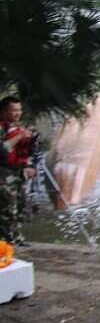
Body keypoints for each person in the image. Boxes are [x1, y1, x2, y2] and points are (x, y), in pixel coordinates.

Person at [0, 97, 38, 246]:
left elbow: (32, 151)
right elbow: (3, 150)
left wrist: (30, 165)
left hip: (18, 171)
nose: (17, 113)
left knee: (21, 205)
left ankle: (16, 236)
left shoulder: (20, 127)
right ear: (3, 111)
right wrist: (20, 136)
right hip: (3, 173)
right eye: (13, 110)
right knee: (7, 207)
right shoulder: (2, 128)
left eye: (19, 110)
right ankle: (6, 240)